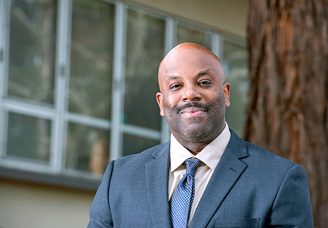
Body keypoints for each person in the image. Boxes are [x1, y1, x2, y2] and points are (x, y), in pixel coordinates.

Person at [87, 43, 313, 228]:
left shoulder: (280, 179)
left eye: (203, 82)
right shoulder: (119, 179)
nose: (190, 94)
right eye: (175, 86)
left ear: (225, 94)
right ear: (161, 104)